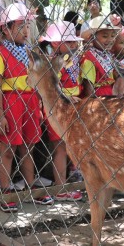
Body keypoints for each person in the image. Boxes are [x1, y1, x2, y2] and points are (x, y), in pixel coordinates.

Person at [0, 3, 53, 212]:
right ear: (5, 29)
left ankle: (31, 188)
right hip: (11, 103)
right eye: (20, 26)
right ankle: (6, 192)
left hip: (31, 102)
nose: (26, 31)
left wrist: (40, 105)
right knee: (8, 150)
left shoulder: (30, 52)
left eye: (28, 26)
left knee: (29, 147)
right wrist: (0, 115)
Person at [37, 21, 84, 202]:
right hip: (58, 107)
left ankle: (64, 183)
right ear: (56, 44)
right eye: (70, 42)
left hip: (73, 107)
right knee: (60, 148)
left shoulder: (72, 59)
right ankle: (60, 187)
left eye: (74, 42)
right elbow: (52, 88)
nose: (74, 45)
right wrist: (66, 98)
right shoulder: (53, 63)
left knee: (67, 146)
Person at [80, 17, 120, 97]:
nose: (110, 40)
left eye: (112, 36)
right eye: (105, 36)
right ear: (92, 38)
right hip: (99, 98)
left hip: (110, 95)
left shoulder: (107, 56)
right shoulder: (89, 58)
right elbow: (89, 88)